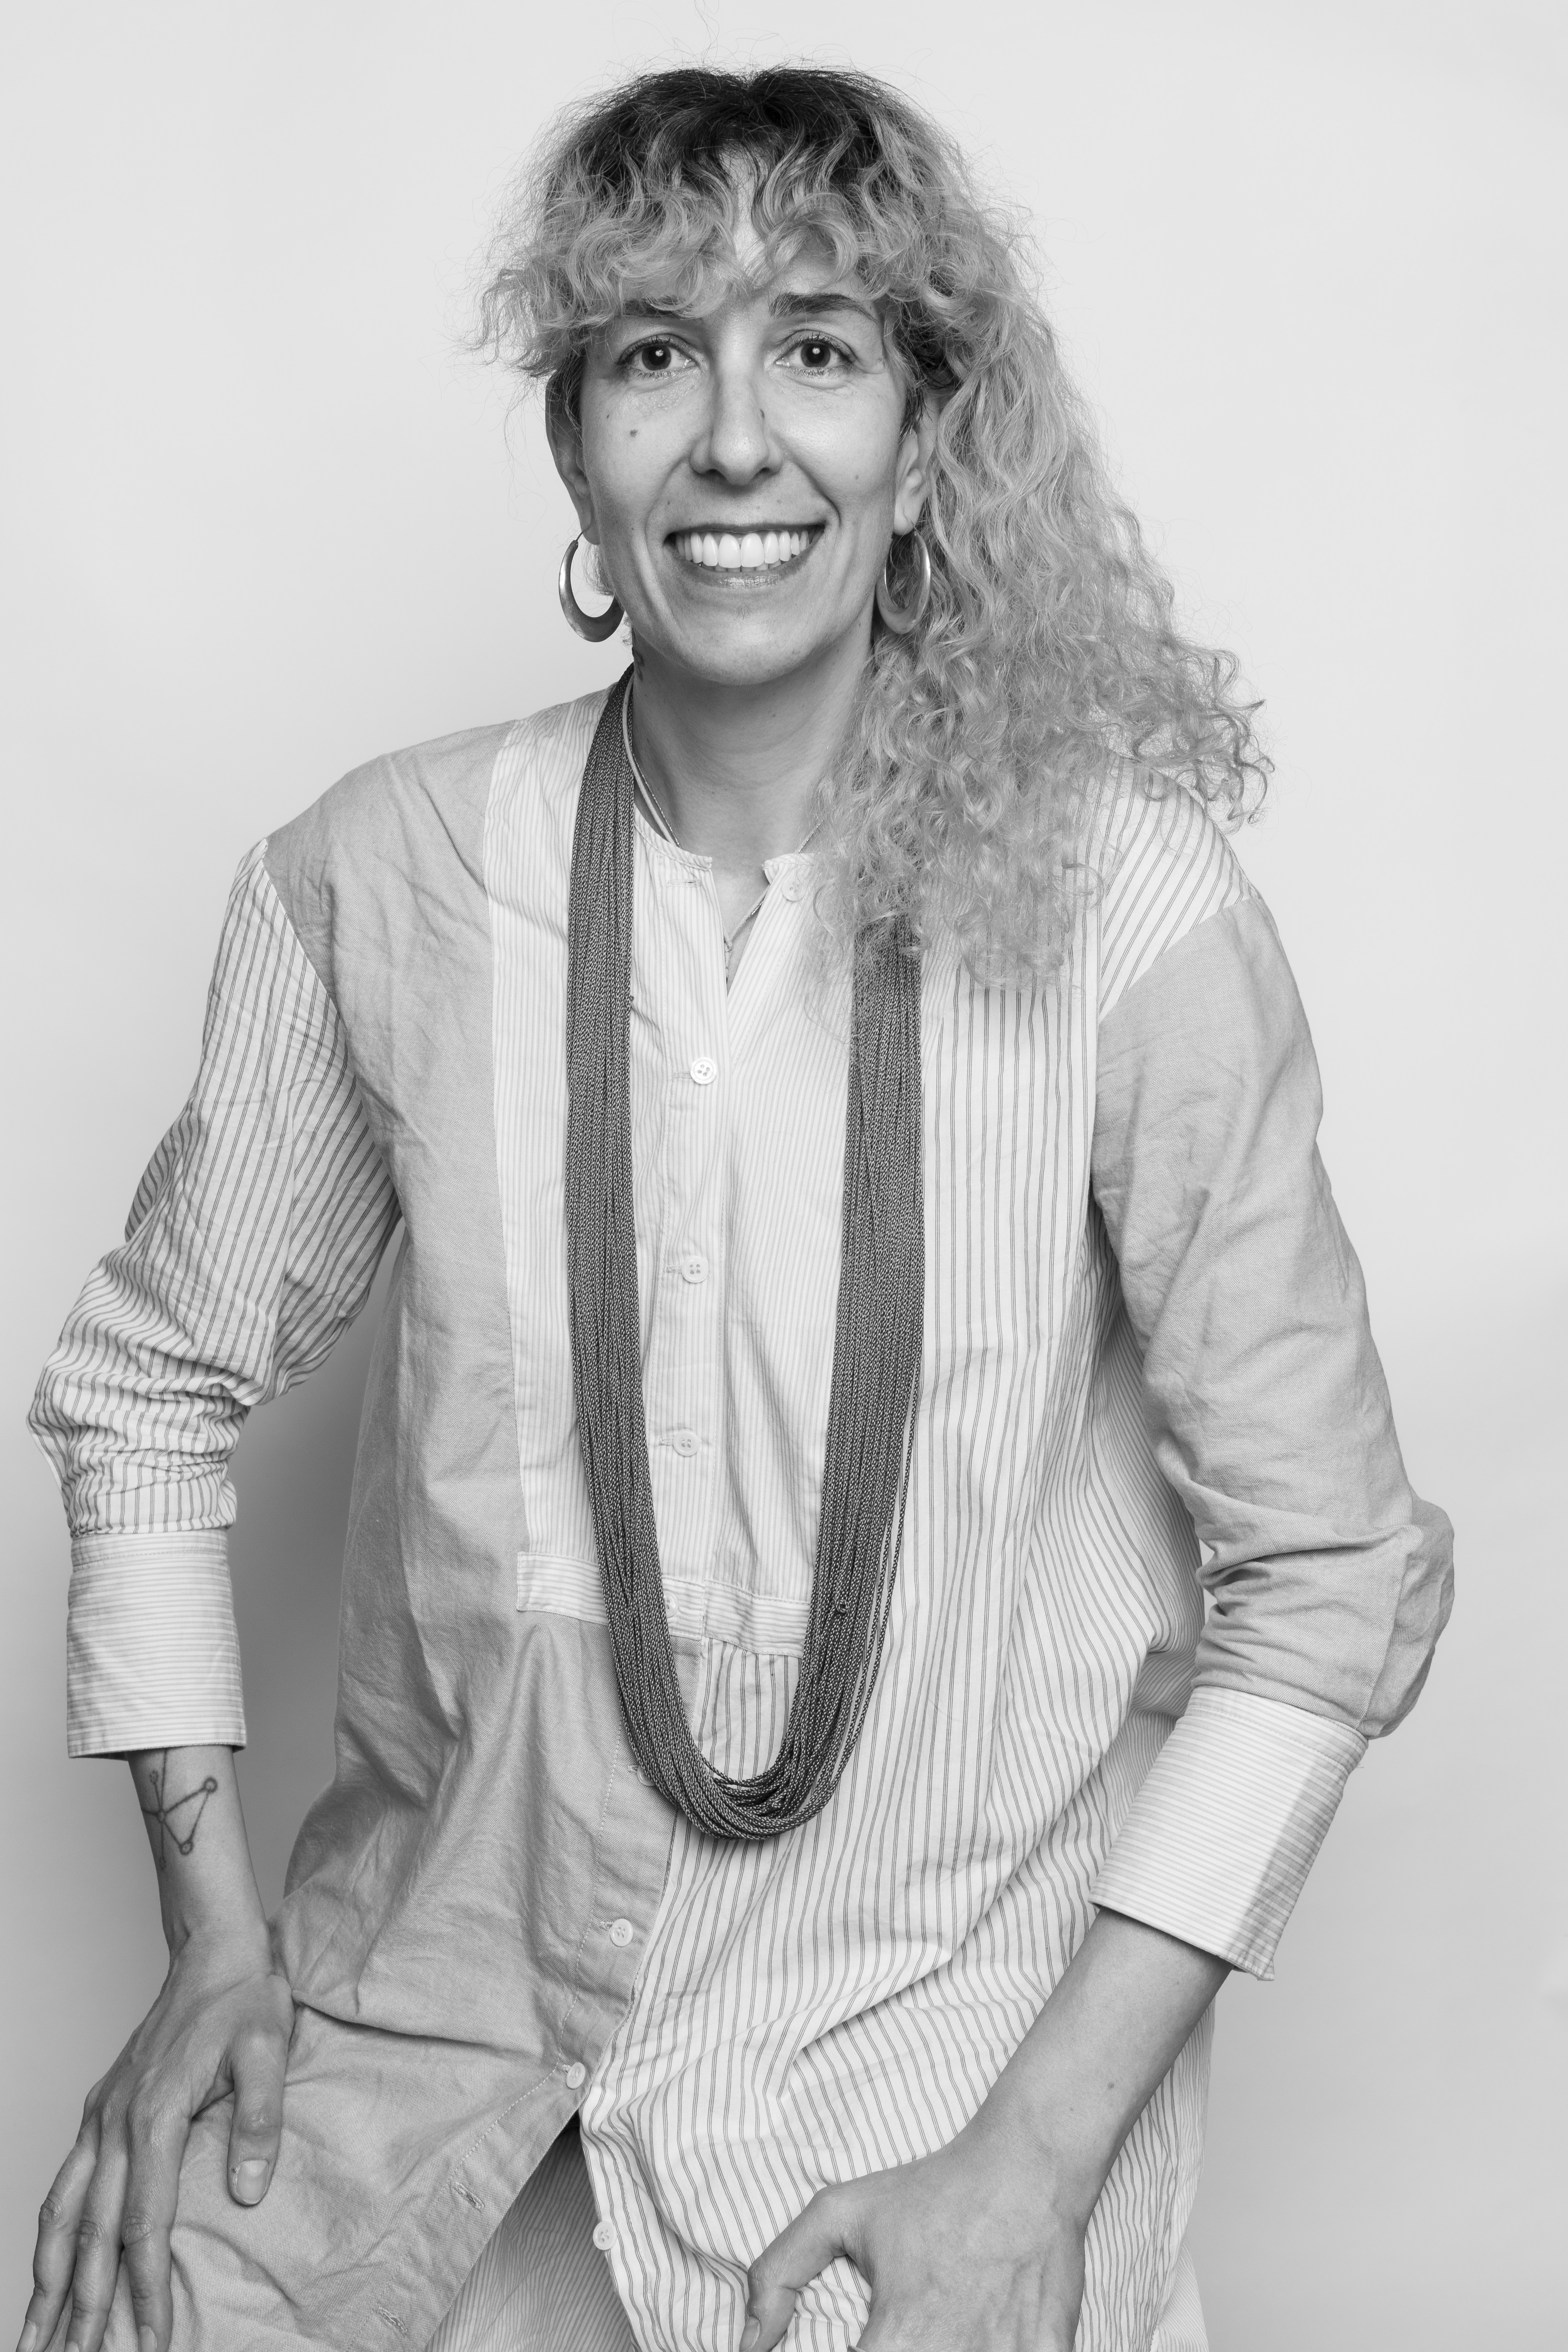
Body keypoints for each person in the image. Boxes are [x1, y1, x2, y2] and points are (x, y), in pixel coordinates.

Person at [19, 61, 1453, 2352]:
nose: (735, 441)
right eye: (653, 355)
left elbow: (1331, 1575)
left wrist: (1034, 2164)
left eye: (818, 349)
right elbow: (145, 1387)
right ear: (577, 439)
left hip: (926, 2094)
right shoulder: (378, 876)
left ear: (923, 437)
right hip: (430, 2056)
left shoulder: (1126, 909)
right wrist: (208, 1935)